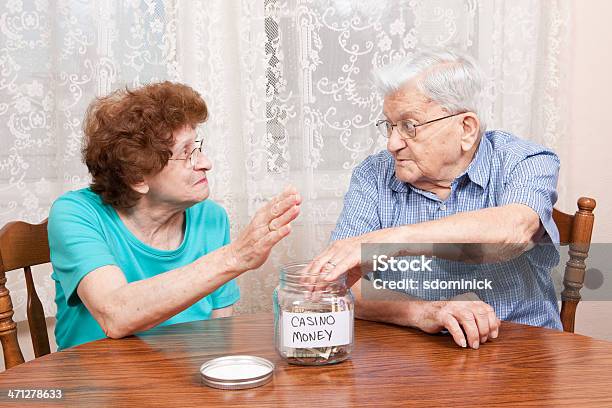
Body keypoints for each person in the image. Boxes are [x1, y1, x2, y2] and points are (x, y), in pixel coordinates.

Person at [304, 49, 562, 349]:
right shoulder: (373, 175)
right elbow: (343, 284)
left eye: (409, 126)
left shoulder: (525, 161)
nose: (392, 144)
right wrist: (424, 311)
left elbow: (512, 231)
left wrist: (393, 241)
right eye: (389, 125)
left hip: (523, 354)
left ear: (466, 128)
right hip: (412, 358)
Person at [48, 82, 301, 350]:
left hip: (181, 382)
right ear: (136, 176)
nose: (205, 163)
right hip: (96, 386)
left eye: (198, 147)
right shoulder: (75, 214)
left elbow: (217, 337)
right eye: (186, 153)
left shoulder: (210, 218)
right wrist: (237, 256)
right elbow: (115, 315)